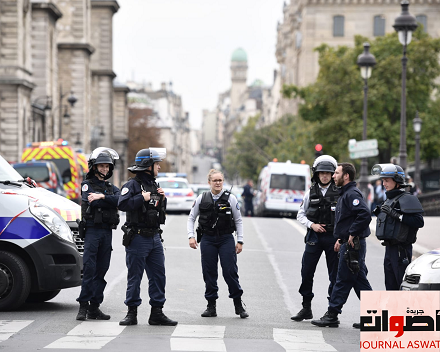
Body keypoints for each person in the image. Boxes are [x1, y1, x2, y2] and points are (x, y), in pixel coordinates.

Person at [118, 148, 177, 326]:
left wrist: (162, 199)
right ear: (147, 166)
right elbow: (122, 204)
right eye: (156, 163)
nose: (159, 166)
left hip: (155, 238)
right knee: (135, 277)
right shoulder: (132, 185)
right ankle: (131, 313)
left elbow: (158, 211)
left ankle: (157, 313)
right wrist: (140, 199)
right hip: (138, 238)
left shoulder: (154, 185)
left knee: (159, 276)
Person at [311, 163, 372, 329]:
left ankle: (332, 314)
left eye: (336, 173)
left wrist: (352, 233)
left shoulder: (351, 194)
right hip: (349, 243)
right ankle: (376, 315)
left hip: (353, 245)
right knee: (359, 281)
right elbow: (348, 219)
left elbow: (364, 214)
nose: (333, 176)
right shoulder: (345, 194)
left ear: (346, 176)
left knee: (343, 279)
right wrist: (341, 238)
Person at [187, 169, 248, 318]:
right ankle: (211, 306)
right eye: (215, 180)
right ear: (209, 182)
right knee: (209, 272)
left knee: (230, 271)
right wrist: (191, 236)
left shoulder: (231, 199)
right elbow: (191, 218)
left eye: (220, 180)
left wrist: (240, 240)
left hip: (226, 238)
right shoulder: (202, 198)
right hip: (208, 239)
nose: (218, 183)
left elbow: (238, 220)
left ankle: (238, 304)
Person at [291, 155, 339, 322]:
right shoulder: (310, 192)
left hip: (333, 237)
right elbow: (300, 215)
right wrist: (312, 225)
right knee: (306, 271)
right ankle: (306, 307)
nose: (324, 176)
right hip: (314, 236)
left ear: (332, 174)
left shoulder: (340, 192)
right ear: (316, 174)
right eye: (321, 173)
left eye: (328, 173)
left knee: (334, 274)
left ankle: (332, 311)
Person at [76, 147, 121, 321]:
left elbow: (121, 200)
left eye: (107, 166)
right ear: (94, 167)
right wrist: (108, 201)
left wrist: (102, 198)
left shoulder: (111, 187)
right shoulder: (87, 185)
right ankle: (83, 307)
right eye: (101, 166)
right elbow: (90, 202)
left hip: (106, 232)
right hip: (93, 231)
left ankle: (94, 308)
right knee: (89, 269)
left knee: (101, 271)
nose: (104, 169)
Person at [372, 164, 424, 290]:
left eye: (387, 181)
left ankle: (405, 310)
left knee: (402, 286)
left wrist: (398, 216)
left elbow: (419, 222)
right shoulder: (389, 199)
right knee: (390, 286)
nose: (384, 184)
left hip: (401, 250)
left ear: (397, 181)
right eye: (383, 180)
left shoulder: (408, 199)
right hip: (389, 249)